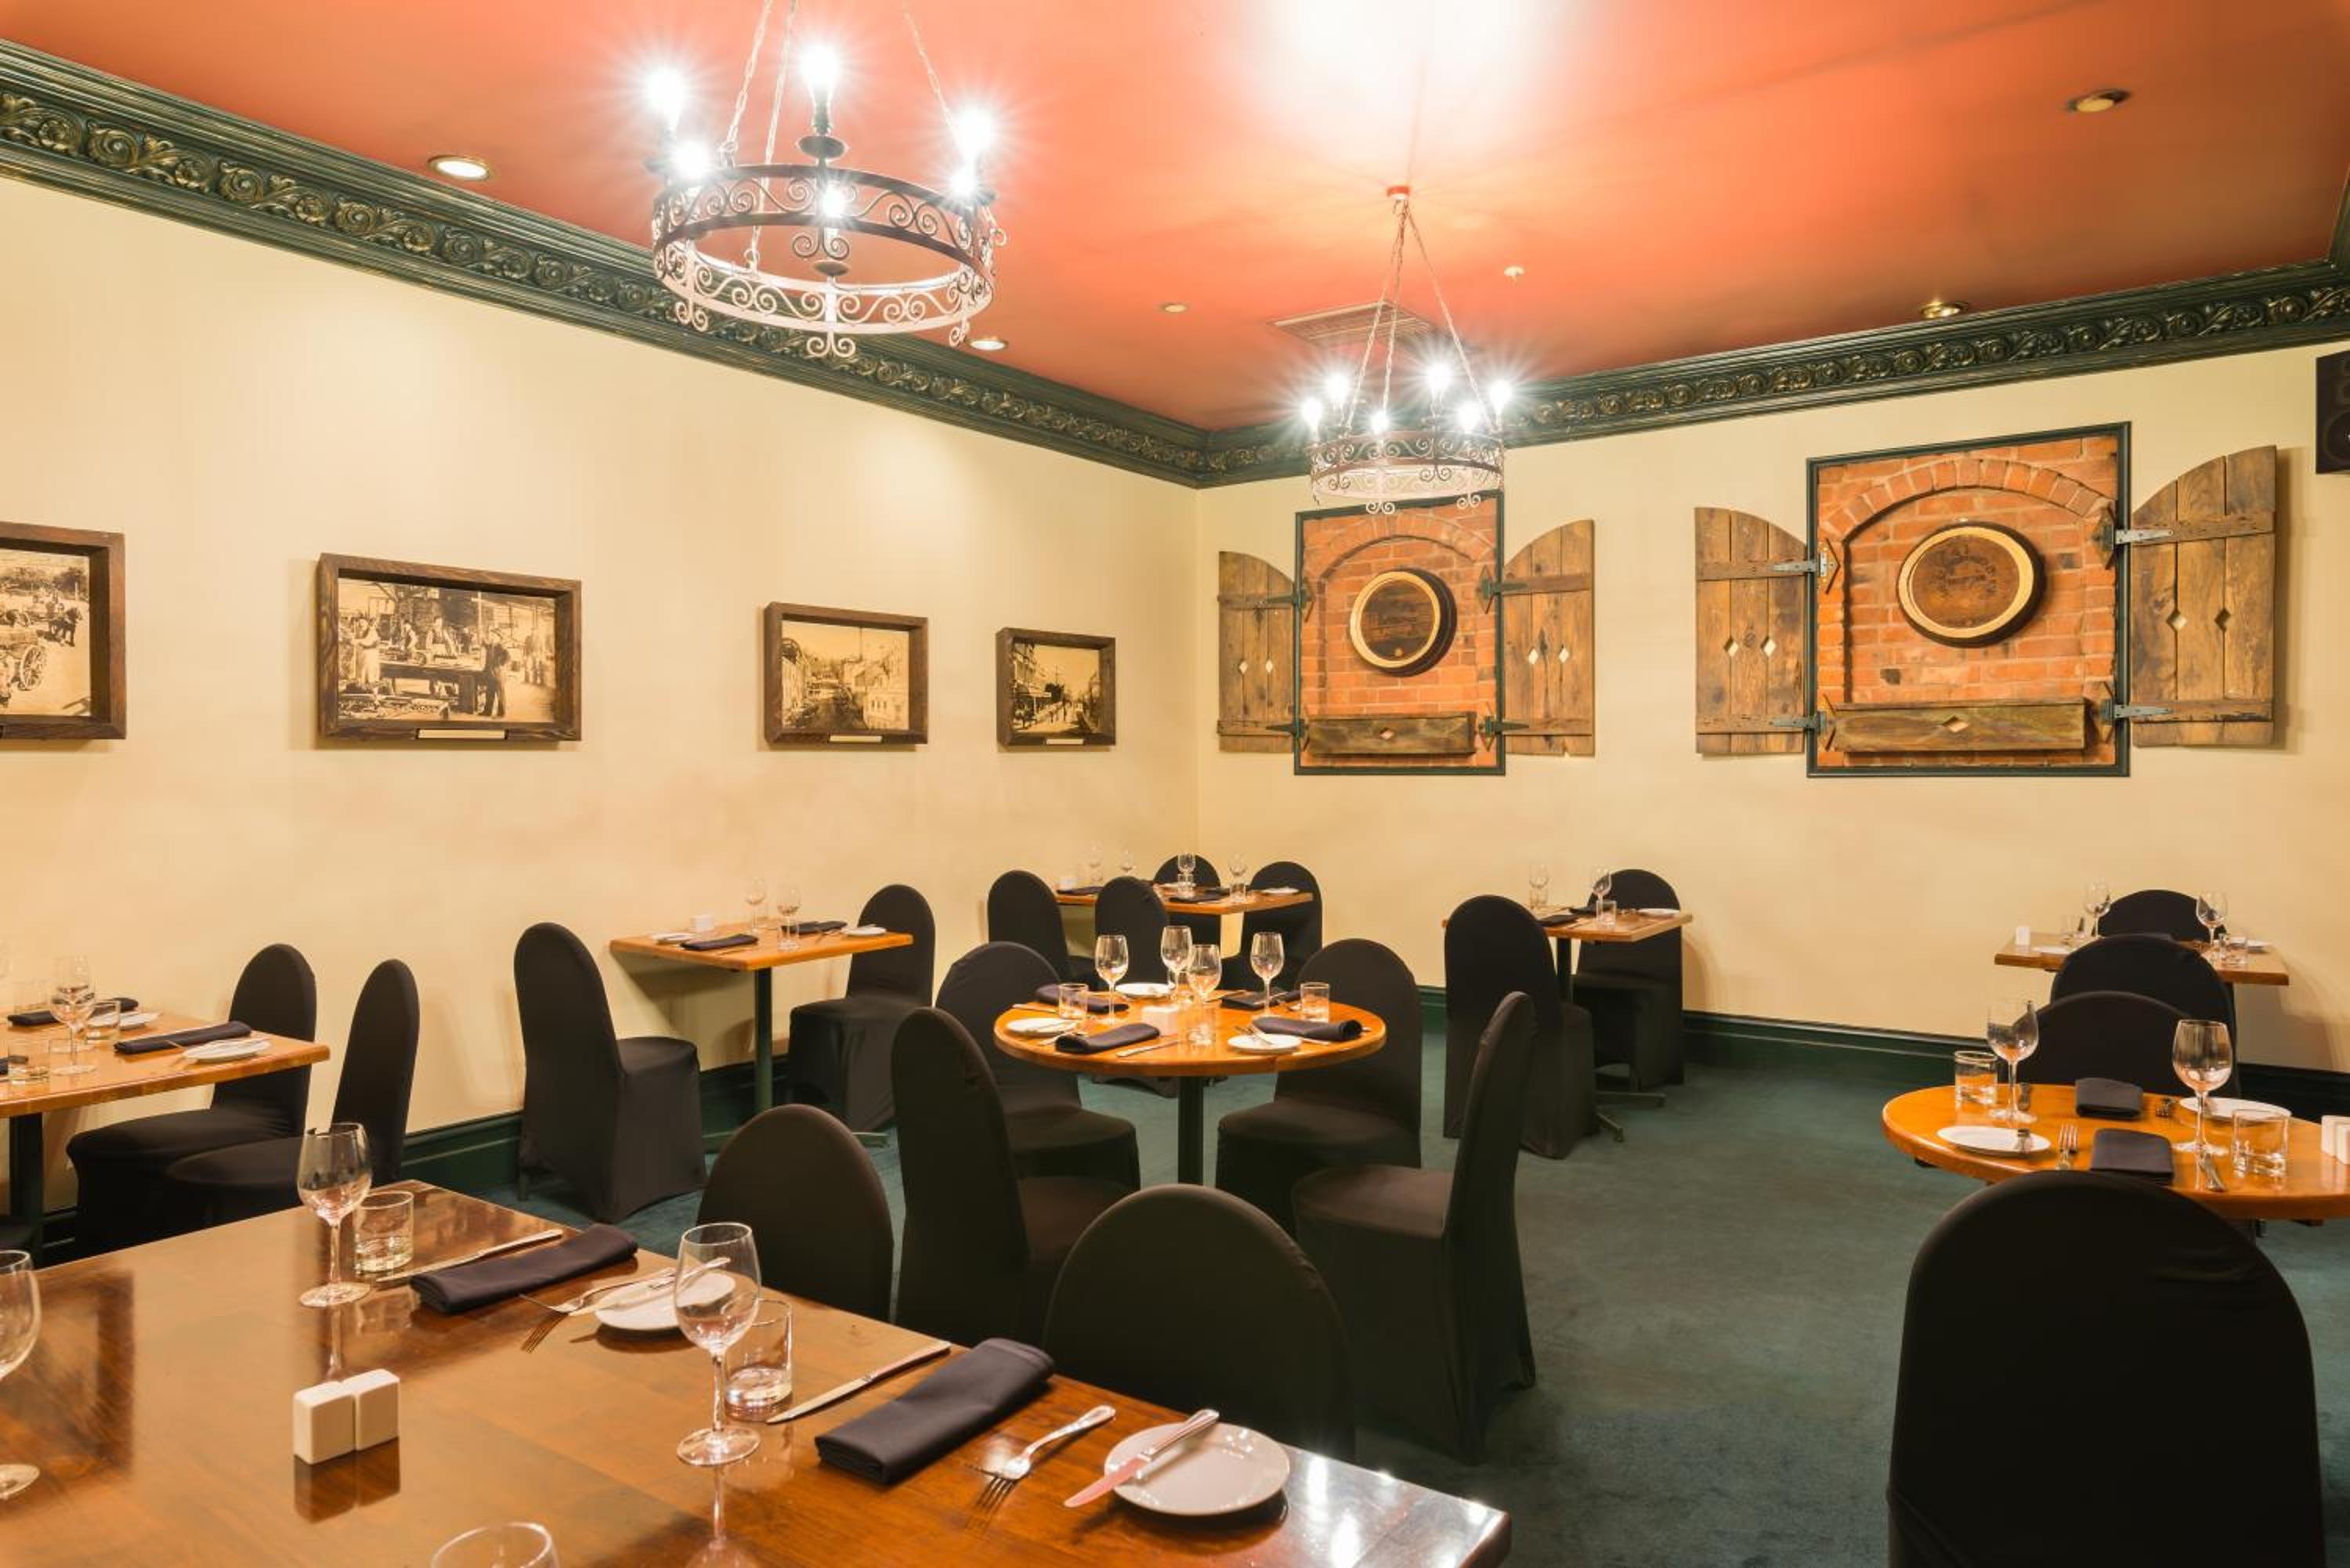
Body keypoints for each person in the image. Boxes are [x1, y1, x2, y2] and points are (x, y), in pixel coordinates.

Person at [481, 633, 509, 717]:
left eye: (493, 636)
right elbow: (486, 645)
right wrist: (483, 640)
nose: (491, 637)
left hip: (498, 674)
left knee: (500, 693)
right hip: (490, 674)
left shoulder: (500, 646)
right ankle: (487, 711)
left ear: (498, 638)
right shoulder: (491, 646)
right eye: (491, 636)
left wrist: (500, 664)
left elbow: (508, 657)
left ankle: (501, 713)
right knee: (489, 693)